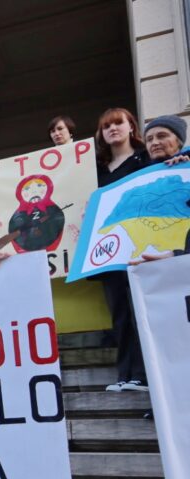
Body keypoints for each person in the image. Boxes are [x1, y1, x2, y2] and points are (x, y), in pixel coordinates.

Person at [94, 108, 150, 392]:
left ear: (131, 127)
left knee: (141, 309)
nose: (113, 129)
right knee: (119, 312)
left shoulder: (146, 159)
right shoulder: (97, 170)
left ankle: (143, 373)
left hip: (142, 247)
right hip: (108, 251)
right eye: (107, 126)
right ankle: (125, 373)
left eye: (119, 123)